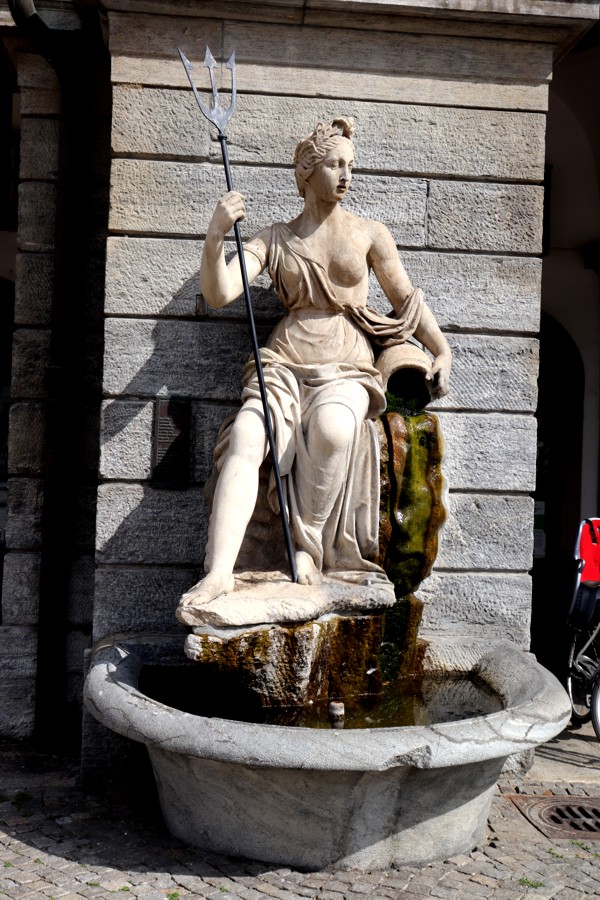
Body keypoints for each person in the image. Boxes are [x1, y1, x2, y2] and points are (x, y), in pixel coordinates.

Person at [176, 117, 451, 625]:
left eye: (350, 165)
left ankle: (307, 547)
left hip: (346, 364)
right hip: (284, 361)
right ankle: (219, 572)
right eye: (334, 165)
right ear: (307, 171)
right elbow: (220, 292)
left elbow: (404, 298)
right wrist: (216, 235)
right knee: (247, 435)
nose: (346, 175)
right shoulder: (275, 238)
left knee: (333, 428)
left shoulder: (369, 234)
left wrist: (441, 349)